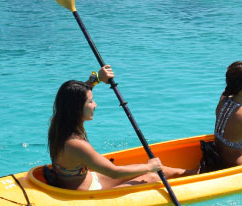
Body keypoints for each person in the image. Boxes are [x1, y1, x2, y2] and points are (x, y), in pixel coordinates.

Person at [45, 65, 187, 190]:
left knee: (162, 170)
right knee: (154, 176)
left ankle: (193, 173)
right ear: (76, 108)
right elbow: (114, 172)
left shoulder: (58, 123)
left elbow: (74, 96)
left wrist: (96, 79)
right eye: (91, 101)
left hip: (85, 180)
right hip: (90, 190)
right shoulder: (76, 145)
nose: (95, 105)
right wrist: (150, 166)